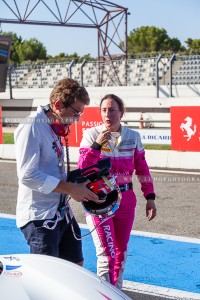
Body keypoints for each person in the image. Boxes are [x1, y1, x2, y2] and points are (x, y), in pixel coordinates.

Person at [14, 78, 98, 266]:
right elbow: (28, 175)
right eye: (76, 112)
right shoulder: (32, 126)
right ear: (59, 105)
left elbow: (53, 169)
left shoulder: (55, 127)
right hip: (40, 217)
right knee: (49, 276)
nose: (77, 119)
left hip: (61, 213)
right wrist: (69, 189)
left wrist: (79, 184)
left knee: (76, 266)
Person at [78, 94, 157, 288]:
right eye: (104, 110)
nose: (108, 114)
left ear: (121, 113)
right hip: (100, 200)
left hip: (126, 200)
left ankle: (116, 291)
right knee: (106, 254)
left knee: (121, 251)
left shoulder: (133, 137)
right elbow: (82, 168)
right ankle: (105, 294)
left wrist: (150, 197)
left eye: (112, 110)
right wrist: (97, 145)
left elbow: (142, 168)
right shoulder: (91, 135)